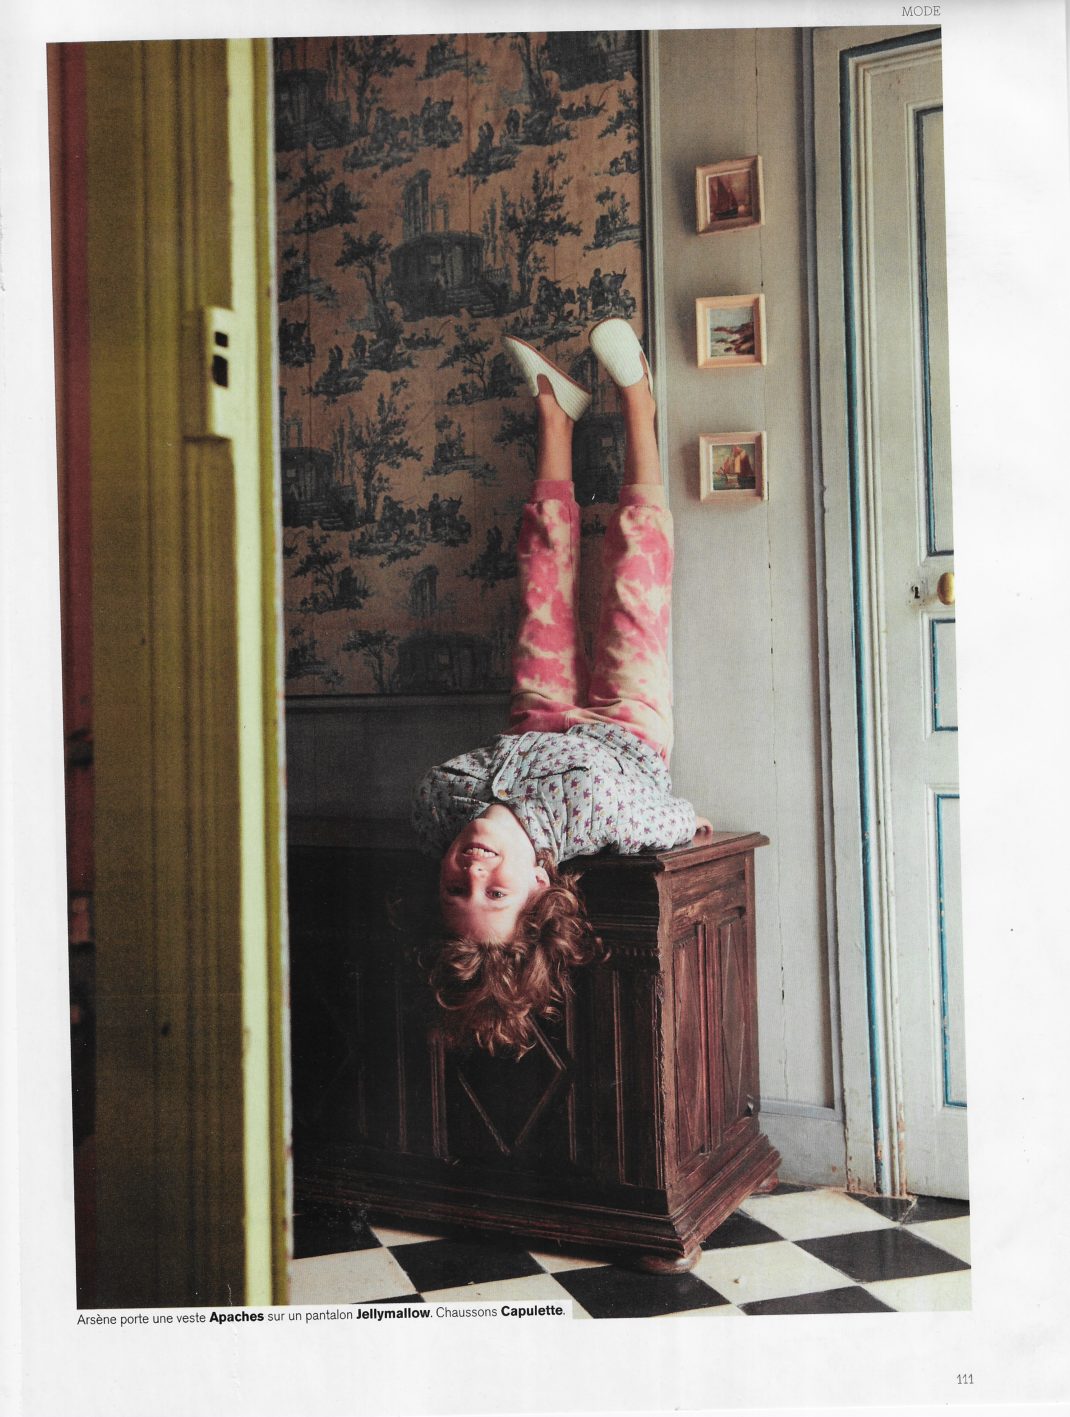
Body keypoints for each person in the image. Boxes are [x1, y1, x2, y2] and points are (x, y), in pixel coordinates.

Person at [411, 319, 712, 1053]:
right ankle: (638, 401)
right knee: (635, 574)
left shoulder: (441, 809)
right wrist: (690, 822)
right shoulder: (594, 814)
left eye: (455, 889)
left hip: (536, 717)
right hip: (626, 726)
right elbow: (667, 820)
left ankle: (555, 411)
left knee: (541, 570)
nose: (472, 871)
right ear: (540, 885)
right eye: (495, 892)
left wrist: (479, 813)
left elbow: (437, 791)